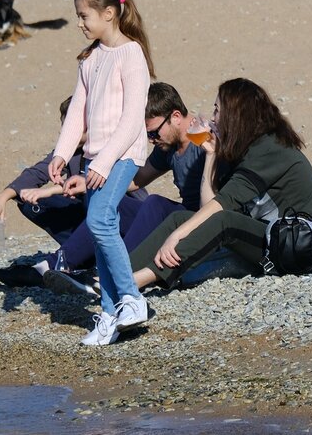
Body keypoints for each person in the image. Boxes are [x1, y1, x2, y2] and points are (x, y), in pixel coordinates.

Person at [127, 77, 312, 291]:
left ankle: (138, 280)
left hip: (301, 245)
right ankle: (119, 275)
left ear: (236, 115)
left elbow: (221, 209)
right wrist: (211, 156)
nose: (212, 118)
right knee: (179, 218)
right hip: (274, 236)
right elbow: (209, 208)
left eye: (217, 110)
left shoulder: (269, 149)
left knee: (224, 221)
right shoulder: (243, 150)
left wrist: (176, 236)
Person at [49, 0, 155, 346]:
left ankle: (133, 299)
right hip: (96, 156)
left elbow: (131, 119)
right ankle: (110, 314)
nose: (79, 23)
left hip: (123, 154)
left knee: (99, 219)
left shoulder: (132, 54)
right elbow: (78, 111)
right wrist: (62, 154)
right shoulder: (90, 58)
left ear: (108, 14)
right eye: (77, 16)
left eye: (84, 15)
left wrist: (104, 162)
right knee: (99, 228)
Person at [43, 81, 217, 296]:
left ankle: (109, 274)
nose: (152, 140)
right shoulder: (169, 146)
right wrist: (87, 181)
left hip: (204, 221)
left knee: (155, 204)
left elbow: (221, 202)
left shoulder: (207, 141)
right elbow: (136, 180)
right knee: (115, 204)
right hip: (183, 216)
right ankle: (53, 264)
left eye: (153, 133)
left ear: (176, 116)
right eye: (148, 135)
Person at [0, 96, 149, 289]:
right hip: (95, 219)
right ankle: (83, 259)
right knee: (29, 201)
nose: (65, 133)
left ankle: (50, 266)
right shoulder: (72, 149)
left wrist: (50, 191)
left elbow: (100, 185)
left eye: (70, 127)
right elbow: (38, 171)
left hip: (131, 222)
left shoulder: (114, 146)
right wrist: (2, 198)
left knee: (98, 205)